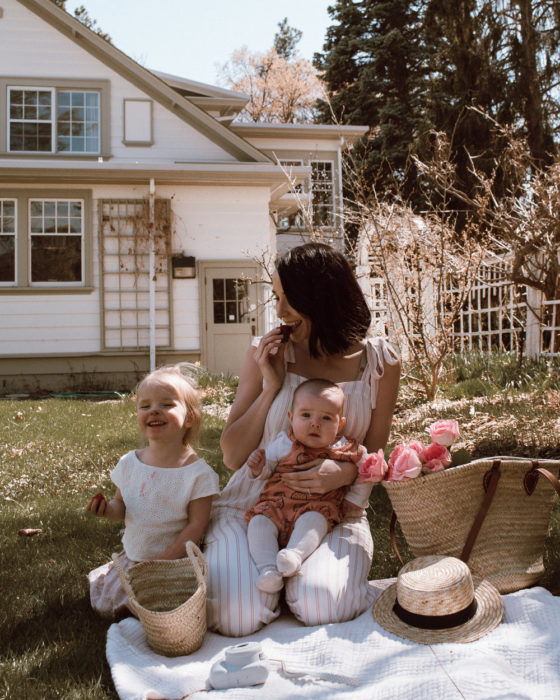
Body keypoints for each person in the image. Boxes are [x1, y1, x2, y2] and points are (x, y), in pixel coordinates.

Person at [204, 242, 400, 636]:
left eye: (287, 300)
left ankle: (294, 579)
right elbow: (232, 456)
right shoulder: (266, 354)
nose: (278, 312)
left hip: (333, 514)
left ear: (321, 298)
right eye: (276, 298)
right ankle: (264, 582)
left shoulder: (381, 361)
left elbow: (375, 456)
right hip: (253, 506)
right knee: (235, 615)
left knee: (321, 603)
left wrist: (344, 476)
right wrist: (270, 387)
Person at [86, 364, 220, 619]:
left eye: (167, 405)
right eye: (145, 406)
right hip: (135, 560)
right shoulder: (130, 464)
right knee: (118, 607)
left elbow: (196, 527)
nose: (154, 410)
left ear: (189, 417)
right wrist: (107, 510)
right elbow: (121, 507)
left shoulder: (198, 474)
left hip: (175, 565)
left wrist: (162, 563)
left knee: (164, 611)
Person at [245, 377, 381, 594]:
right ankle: (268, 569)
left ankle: (294, 556)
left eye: (326, 418)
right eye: (306, 415)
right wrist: (259, 467)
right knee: (258, 524)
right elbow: (267, 470)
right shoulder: (284, 442)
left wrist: (355, 500)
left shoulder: (347, 449)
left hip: (316, 507)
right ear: (291, 417)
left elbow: (369, 471)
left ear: (340, 424)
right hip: (274, 508)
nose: (314, 423)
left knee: (314, 522)